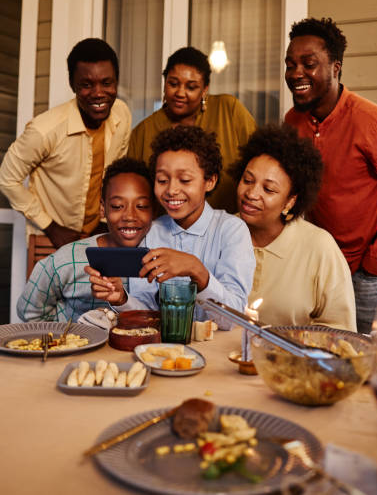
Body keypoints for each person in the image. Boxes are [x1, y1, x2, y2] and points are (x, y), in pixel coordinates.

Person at [284, 17, 377, 333]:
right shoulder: (293, 121)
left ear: (336, 67)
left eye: (308, 64)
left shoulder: (374, 123)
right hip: (321, 267)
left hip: (372, 275)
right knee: (332, 362)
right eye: (290, 64)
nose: (296, 73)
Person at [90, 126, 255, 328]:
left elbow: (233, 319)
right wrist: (122, 299)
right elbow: (149, 315)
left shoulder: (232, 231)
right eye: (162, 180)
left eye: (185, 180)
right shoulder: (152, 232)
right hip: (163, 352)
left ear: (210, 181)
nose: (171, 190)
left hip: (216, 352)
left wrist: (196, 270)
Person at [0, 38, 131, 248]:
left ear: (116, 80)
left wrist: (105, 221)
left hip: (100, 237)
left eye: (107, 83)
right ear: (72, 84)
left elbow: (114, 174)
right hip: (51, 240)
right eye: (86, 85)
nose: (98, 93)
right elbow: (7, 179)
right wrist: (50, 226)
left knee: (107, 283)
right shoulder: (44, 130)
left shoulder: (122, 114)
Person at [229, 124, 356, 331]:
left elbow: (339, 331)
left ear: (290, 201)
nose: (251, 194)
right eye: (247, 180)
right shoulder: (221, 233)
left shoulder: (319, 247)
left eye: (268, 189)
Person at [17, 158, 153, 322]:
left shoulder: (161, 257)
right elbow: (30, 312)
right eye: (117, 206)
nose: (130, 216)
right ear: (103, 209)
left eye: (142, 206)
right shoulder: (67, 259)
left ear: (153, 210)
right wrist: (67, 339)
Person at [127, 46, 256, 213]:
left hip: (227, 225)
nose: (180, 93)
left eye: (191, 87)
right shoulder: (143, 131)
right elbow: (133, 189)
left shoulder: (229, 110)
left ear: (205, 89)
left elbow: (260, 163)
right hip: (165, 231)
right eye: (173, 84)